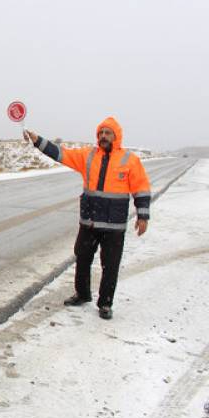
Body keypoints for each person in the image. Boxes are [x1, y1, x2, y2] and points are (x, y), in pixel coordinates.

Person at [24, 117, 151, 320]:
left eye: (107, 133)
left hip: (113, 226)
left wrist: (143, 215)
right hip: (89, 222)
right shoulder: (88, 156)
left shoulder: (129, 160)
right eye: (100, 133)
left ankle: (105, 304)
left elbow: (141, 188)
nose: (103, 137)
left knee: (110, 265)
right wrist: (37, 140)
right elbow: (61, 154)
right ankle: (82, 294)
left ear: (116, 136)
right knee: (82, 258)